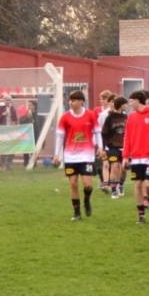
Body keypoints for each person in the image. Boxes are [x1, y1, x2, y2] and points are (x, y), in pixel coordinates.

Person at [54, 90, 104, 220]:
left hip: (86, 156)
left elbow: (98, 132)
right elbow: (60, 136)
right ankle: (77, 213)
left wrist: (101, 147)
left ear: (81, 101)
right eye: (70, 100)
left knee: (88, 185)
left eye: (74, 100)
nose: (71, 103)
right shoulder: (65, 117)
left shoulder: (90, 115)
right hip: (70, 156)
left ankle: (86, 200)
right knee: (73, 184)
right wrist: (56, 154)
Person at [123, 90, 149, 225]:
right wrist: (125, 156)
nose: (129, 103)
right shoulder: (131, 116)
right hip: (136, 157)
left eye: (131, 100)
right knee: (138, 184)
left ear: (138, 100)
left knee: (148, 185)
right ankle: (141, 215)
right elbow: (127, 137)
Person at [100, 97, 128, 199]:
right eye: (125, 104)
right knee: (114, 167)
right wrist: (103, 148)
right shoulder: (110, 118)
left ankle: (120, 184)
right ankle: (113, 190)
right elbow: (104, 134)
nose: (127, 106)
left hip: (125, 147)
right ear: (121, 105)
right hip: (112, 147)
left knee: (124, 169)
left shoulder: (126, 117)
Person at [0, 94, 19, 170]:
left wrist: (15, 122)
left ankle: (9, 164)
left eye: (9, 100)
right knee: (3, 148)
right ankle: (3, 165)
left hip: (11, 130)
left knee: (12, 147)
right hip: (3, 130)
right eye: (7, 100)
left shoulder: (12, 109)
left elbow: (15, 119)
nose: (8, 101)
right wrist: (3, 115)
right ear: (4, 100)